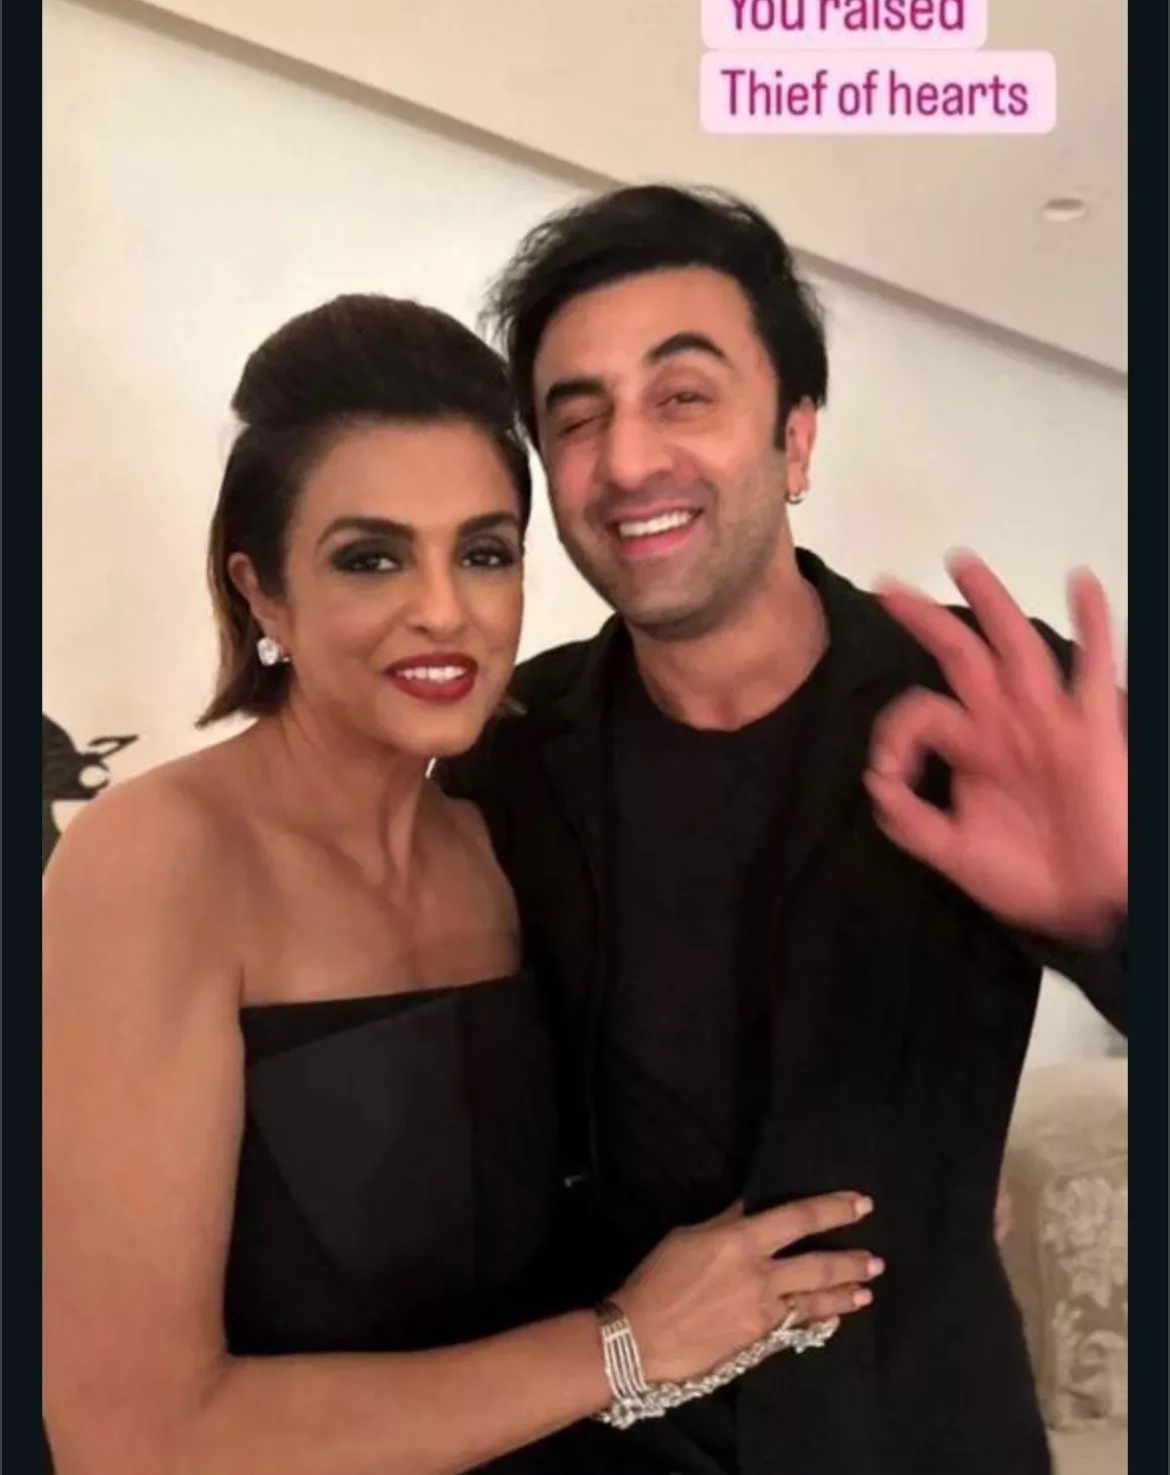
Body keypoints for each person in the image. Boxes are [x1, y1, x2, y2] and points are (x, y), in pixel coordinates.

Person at [42, 294, 884, 1475]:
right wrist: (624, 1348)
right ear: (262, 591)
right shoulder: (160, 859)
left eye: (484, 553)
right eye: (371, 557)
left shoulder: (500, 840)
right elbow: (127, 1440)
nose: (444, 610)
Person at [435, 186, 1129, 1475]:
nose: (626, 460)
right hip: (612, 1441)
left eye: (683, 395)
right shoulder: (506, 753)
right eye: (576, 418)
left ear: (795, 440)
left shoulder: (986, 703)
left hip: (924, 1437)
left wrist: (1117, 918)